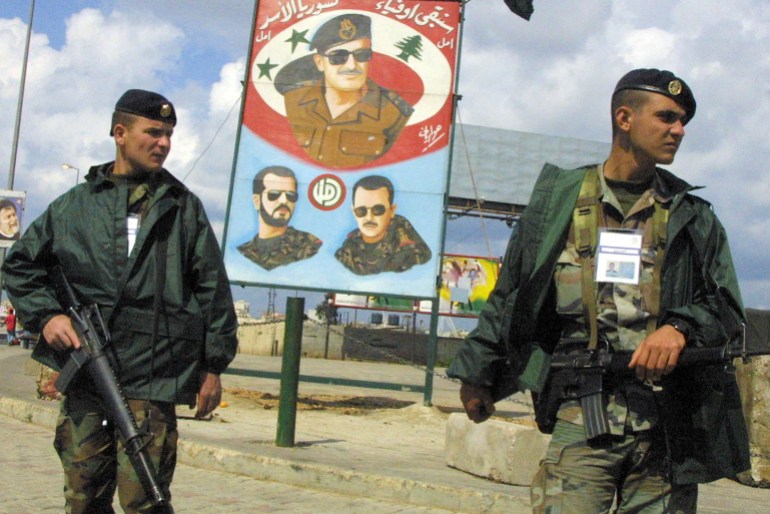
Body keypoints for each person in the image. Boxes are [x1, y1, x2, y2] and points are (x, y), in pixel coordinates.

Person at [447, 69, 750, 513]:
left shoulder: (693, 216)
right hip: (581, 409)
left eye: (683, 121)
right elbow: (512, 291)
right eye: (667, 117)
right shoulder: (559, 202)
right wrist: (480, 372)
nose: (679, 130)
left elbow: (725, 306)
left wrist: (680, 329)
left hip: (667, 424)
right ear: (624, 118)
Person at [1, 89, 239, 513]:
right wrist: (48, 315)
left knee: (146, 499)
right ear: (119, 133)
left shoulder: (183, 209)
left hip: (153, 374)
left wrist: (212, 366)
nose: (163, 143)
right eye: (153, 132)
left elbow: (213, 292)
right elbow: (19, 265)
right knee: (83, 495)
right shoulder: (75, 206)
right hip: (89, 376)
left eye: (168, 134)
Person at [276, 13, 414, 168]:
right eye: (338, 57)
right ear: (320, 62)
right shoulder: (293, 100)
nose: (351, 66)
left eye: (361, 55)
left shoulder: (395, 115)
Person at [335, 175, 431, 275]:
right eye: (361, 211)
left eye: (377, 210)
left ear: (392, 210)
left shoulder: (411, 255)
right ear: (354, 212)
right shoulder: (346, 251)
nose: (369, 217)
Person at [237, 165, 322, 270]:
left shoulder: (309, 246)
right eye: (274, 194)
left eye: (291, 195)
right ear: (257, 201)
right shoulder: (243, 252)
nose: (283, 201)